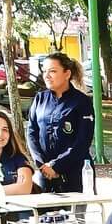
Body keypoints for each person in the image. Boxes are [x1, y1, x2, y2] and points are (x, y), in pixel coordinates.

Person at [27, 52, 95, 193]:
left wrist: (56, 166)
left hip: (74, 173)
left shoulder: (82, 102)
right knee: (44, 215)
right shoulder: (40, 99)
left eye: (52, 71)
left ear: (67, 74)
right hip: (45, 174)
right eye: (44, 71)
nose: (47, 75)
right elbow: (32, 133)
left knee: (75, 215)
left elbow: (82, 142)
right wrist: (42, 165)